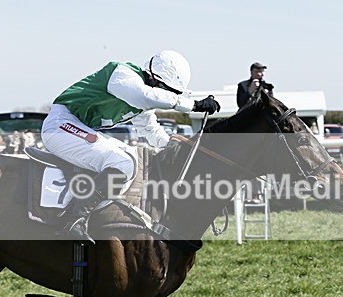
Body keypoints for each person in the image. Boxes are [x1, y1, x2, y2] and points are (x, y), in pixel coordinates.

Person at [41, 50, 221, 240]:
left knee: (132, 157)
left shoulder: (142, 100)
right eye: (168, 91)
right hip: (60, 125)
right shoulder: (123, 75)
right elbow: (145, 96)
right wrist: (193, 105)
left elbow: (150, 130)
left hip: (76, 128)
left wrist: (176, 148)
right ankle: (75, 221)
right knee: (122, 162)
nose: (168, 96)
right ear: (153, 79)